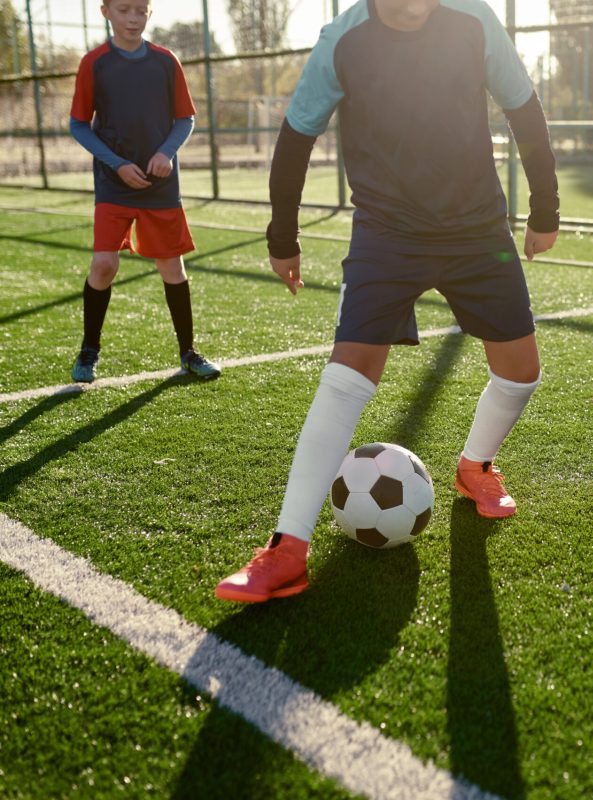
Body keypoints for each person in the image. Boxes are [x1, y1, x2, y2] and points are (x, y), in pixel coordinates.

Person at [215, 0, 559, 603]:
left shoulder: (475, 21)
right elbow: (297, 135)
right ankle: (287, 549)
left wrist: (545, 207)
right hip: (386, 234)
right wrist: (282, 236)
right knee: (347, 376)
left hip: (477, 232)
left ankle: (475, 466)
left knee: (521, 372)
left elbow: (524, 112)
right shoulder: (342, 39)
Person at [68, 0, 221, 383]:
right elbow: (79, 125)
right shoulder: (94, 63)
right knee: (104, 265)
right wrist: (116, 162)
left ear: (149, 13)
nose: (133, 18)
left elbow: (185, 118)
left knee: (172, 266)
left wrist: (165, 152)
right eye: (124, 10)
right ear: (106, 12)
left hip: (160, 184)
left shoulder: (166, 61)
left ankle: (188, 351)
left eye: (140, 10)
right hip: (113, 183)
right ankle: (89, 350)